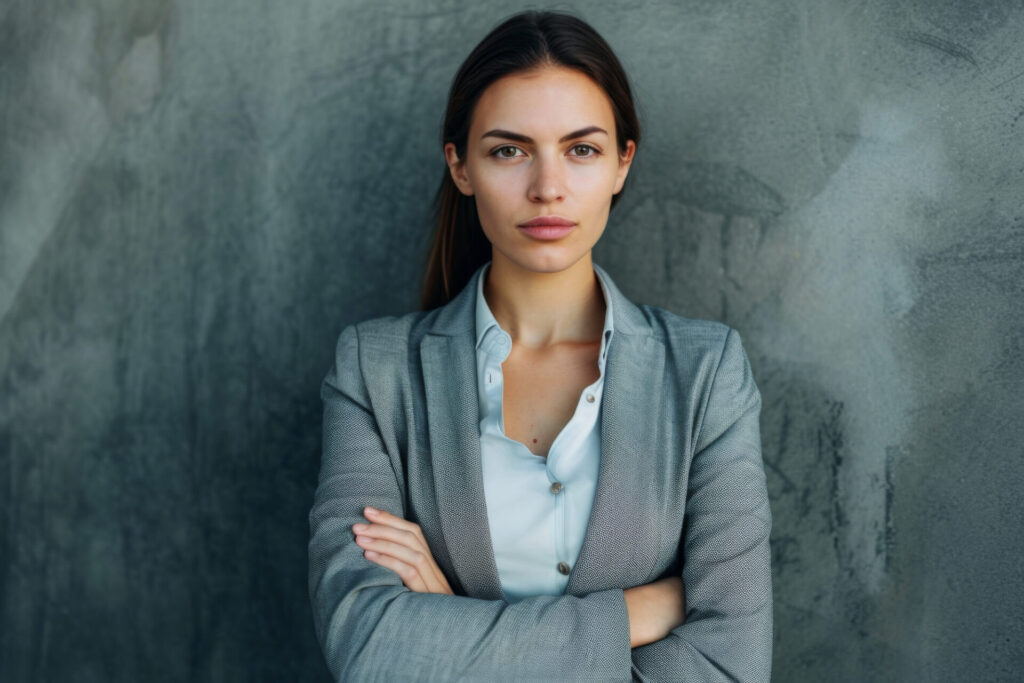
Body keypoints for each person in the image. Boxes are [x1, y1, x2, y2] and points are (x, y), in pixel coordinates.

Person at [308, 9, 772, 682]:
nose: (547, 187)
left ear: (622, 162)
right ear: (460, 166)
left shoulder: (706, 373)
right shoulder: (374, 373)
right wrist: (638, 612)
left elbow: (729, 667)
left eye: (581, 149)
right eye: (508, 150)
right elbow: (371, 650)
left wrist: (454, 623)